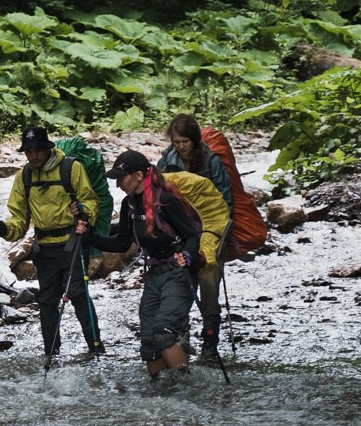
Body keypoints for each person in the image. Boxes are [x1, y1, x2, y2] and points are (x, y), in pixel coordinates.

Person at [87, 150, 208, 376]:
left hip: (178, 273)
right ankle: (157, 395)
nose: (118, 184)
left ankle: (188, 391)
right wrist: (90, 238)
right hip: (154, 274)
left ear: (139, 175)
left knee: (163, 331)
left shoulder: (166, 201)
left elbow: (192, 235)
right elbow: (123, 243)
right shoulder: (129, 205)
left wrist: (188, 255)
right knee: (150, 339)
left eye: (121, 178)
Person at [0, 127, 104, 359]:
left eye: (37, 151)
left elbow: (90, 202)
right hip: (45, 247)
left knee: (78, 295)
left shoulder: (71, 168)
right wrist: (4, 230)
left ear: (48, 148)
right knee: (47, 301)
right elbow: (20, 219)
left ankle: (96, 348)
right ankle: (51, 352)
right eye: (28, 152)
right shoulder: (25, 177)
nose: (33, 157)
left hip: (72, 243)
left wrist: (82, 212)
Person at [159, 113, 253, 359]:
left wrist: (218, 234)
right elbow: (159, 194)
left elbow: (225, 198)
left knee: (209, 284)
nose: (181, 147)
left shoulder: (211, 162)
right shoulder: (167, 160)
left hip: (211, 231)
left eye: (185, 142)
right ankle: (183, 338)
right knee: (181, 283)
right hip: (181, 232)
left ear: (195, 140)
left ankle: (210, 340)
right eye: (177, 142)